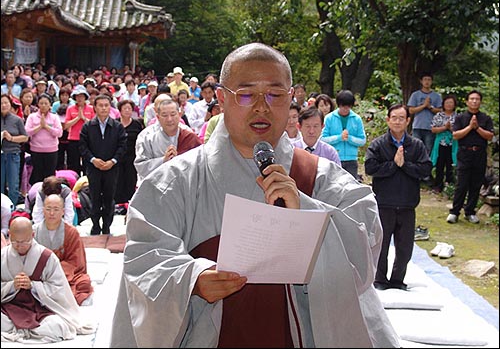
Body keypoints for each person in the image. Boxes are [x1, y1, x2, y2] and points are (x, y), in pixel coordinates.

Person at [110, 43, 399, 348]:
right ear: (221, 98)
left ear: (291, 99)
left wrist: (307, 209)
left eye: (274, 95)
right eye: (246, 94)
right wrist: (191, 279)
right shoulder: (174, 183)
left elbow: (365, 249)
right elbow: (143, 260)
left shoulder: (321, 178)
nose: (261, 107)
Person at [365, 104, 432, 291]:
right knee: (382, 245)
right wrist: (393, 165)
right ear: (388, 119)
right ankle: (380, 280)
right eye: (394, 117)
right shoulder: (378, 144)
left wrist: (405, 165)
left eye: (401, 118)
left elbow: (426, 169)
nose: (397, 121)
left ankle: (397, 279)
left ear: (408, 121)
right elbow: (371, 168)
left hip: (407, 204)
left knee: (404, 248)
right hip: (384, 203)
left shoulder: (416, 145)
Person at [1, 216, 94, 343]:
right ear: (9, 236)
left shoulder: (47, 257)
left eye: (24, 242)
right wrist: (11, 286)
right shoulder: (2, 256)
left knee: (56, 326)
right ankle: (22, 330)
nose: (20, 246)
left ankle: (23, 330)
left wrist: (33, 286)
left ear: (33, 235)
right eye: (16, 242)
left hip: (40, 308)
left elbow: (59, 289)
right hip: (10, 306)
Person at [79, 94, 127, 235]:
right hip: (94, 167)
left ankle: (107, 226)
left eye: (106, 105)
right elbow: (82, 146)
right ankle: (95, 225)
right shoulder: (88, 126)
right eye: (100, 105)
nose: (104, 108)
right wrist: (93, 160)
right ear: (95, 107)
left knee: (109, 197)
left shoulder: (117, 126)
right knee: (94, 197)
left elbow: (123, 146)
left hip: (111, 167)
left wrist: (113, 161)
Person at [34, 194, 93, 305]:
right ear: (43, 210)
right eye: (48, 209)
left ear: (63, 211)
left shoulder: (71, 232)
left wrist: (54, 270)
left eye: (56, 209)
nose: (52, 213)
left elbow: (76, 261)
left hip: (65, 275)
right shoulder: (34, 231)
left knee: (83, 282)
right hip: (41, 274)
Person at [446, 90, 494, 224]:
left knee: (476, 183)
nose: (474, 101)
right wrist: (470, 127)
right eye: (472, 99)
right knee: (461, 184)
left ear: (480, 101)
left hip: (479, 153)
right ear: (467, 102)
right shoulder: (460, 118)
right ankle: (454, 212)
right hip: (464, 153)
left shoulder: (485, 118)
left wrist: (477, 128)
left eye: (477, 99)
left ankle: (470, 211)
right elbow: (455, 135)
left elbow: (490, 136)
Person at [134, 97, 202, 182]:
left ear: (180, 115)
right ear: (158, 117)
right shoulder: (146, 136)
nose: (169, 119)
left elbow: (200, 163)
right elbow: (140, 167)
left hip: (183, 187)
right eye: (165, 115)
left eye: (173, 114)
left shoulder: (188, 134)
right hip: (155, 186)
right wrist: (163, 160)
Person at [321, 89, 366, 181]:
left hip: (351, 160)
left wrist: (349, 138)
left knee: (350, 187)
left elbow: (362, 140)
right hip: (333, 158)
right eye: (343, 106)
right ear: (338, 105)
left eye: (348, 107)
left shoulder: (356, 119)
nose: (345, 109)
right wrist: (339, 138)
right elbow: (322, 139)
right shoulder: (329, 118)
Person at [24, 94, 63, 185]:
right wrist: (39, 127)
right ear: (38, 104)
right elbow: (27, 132)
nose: (43, 105)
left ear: (50, 105)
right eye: (41, 103)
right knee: (38, 175)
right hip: (36, 150)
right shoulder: (32, 117)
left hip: (51, 150)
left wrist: (46, 127)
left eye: (46, 103)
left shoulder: (54, 117)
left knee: (50, 176)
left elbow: (59, 133)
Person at [114, 99, 144, 205]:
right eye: (125, 108)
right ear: (120, 110)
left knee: (130, 180)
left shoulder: (137, 124)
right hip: (117, 158)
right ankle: (118, 204)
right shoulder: (115, 124)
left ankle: (130, 204)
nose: (127, 111)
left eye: (129, 109)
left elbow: (141, 140)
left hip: (132, 157)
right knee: (118, 181)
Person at [1, 94, 29, 204]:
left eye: (6, 103)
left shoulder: (17, 120)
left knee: (13, 185)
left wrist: (11, 138)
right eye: (1, 103)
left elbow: (25, 137)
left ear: (10, 104)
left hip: (13, 154)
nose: (3, 105)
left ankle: (12, 209)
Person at [407, 72, 442, 156]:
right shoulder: (415, 95)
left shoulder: (436, 96)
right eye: (425, 79)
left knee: (428, 150)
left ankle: (426, 167)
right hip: (417, 126)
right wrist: (424, 105)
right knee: (415, 148)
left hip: (431, 127)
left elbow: (440, 111)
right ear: (421, 81)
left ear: (432, 81)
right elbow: (411, 110)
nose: (427, 82)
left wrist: (430, 107)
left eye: (429, 80)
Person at [430, 94, 458, 193]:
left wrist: (450, 129)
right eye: (447, 103)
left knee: (451, 164)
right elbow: (433, 129)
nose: (449, 105)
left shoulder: (458, 116)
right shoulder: (438, 115)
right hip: (440, 143)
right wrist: (444, 128)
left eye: (451, 103)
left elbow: (459, 130)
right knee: (439, 165)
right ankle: (438, 185)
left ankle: (450, 185)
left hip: (453, 143)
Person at [64, 85, 95, 176]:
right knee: (73, 163)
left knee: (87, 162)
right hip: (73, 139)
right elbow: (66, 125)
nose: (79, 98)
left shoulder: (91, 108)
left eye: (81, 96)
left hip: (87, 139)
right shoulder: (70, 109)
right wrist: (78, 118)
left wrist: (84, 118)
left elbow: (94, 124)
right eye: (77, 96)